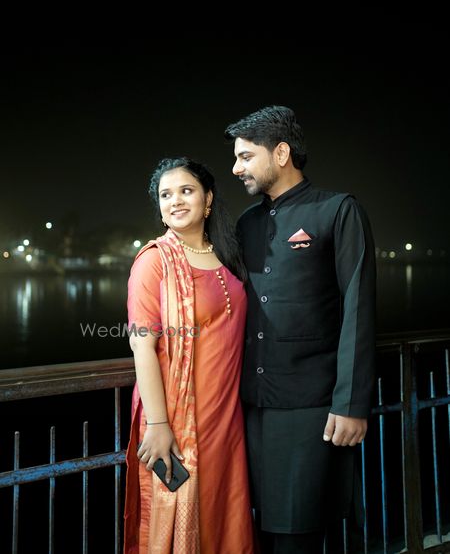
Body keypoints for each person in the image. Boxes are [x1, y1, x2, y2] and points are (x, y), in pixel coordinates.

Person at [224, 106, 376, 554]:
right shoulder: (247, 224)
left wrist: (351, 405)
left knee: (299, 534)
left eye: (246, 157)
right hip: (250, 406)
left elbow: (358, 309)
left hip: (312, 408)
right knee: (256, 531)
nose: (236, 168)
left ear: (281, 153)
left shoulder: (338, 210)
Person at [123, 158, 255, 553]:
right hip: (182, 424)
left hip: (227, 420)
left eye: (186, 191)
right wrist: (158, 424)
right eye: (165, 195)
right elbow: (142, 344)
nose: (175, 200)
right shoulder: (154, 261)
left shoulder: (227, 255)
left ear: (208, 199)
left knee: (225, 521)